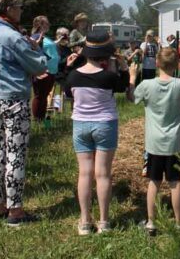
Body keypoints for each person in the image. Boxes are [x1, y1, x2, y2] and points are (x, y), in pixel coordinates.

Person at [0, 0, 48, 226]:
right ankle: (16, 211)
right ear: (9, 9)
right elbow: (39, 67)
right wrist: (35, 46)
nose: (22, 11)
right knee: (16, 155)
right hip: (13, 100)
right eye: (20, 7)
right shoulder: (12, 37)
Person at [63, 31, 137, 235]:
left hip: (80, 125)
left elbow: (66, 90)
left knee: (84, 174)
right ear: (106, 54)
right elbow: (124, 87)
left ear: (86, 52)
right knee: (103, 174)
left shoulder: (73, 76)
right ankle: (104, 221)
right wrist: (125, 70)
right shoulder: (109, 77)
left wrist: (68, 66)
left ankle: (85, 221)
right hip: (105, 124)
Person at [130, 48, 180, 235]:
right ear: (178, 65)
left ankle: (151, 223)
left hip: (153, 144)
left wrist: (132, 77)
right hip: (174, 144)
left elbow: (132, 98)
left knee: (153, 181)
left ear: (156, 63)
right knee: (175, 182)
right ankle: (179, 223)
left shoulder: (147, 85)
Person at [30, 16, 59, 123]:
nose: (49, 25)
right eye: (46, 23)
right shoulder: (36, 36)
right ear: (40, 25)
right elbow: (33, 51)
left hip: (50, 70)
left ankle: (42, 119)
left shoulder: (43, 36)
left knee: (45, 95)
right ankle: (37, 120)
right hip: (42, 71)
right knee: (39, 95)